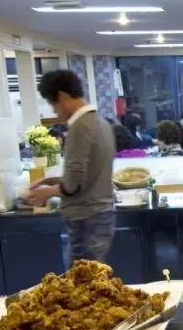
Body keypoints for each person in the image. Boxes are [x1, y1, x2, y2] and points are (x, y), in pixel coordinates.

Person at [23, 69, 116, 262]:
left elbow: (73, 186)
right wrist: (54, 181)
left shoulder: (80, 126)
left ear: (62, 96)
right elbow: (89, 175)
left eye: (52, 104)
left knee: (81, 278)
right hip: (100, 214)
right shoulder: (101, 123)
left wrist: (46, 193)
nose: (54, 111)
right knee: (94, 275)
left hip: (85, 217)